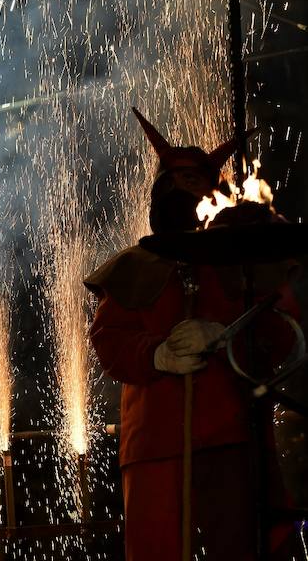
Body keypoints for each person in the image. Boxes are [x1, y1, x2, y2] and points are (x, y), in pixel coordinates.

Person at [85, 108, 298, 560]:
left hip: (231, 438)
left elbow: (283, 336)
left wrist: (229, 334)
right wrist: (157, 353)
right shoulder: (134, 267)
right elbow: (109, 339)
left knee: (241, 548)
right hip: (156, 446)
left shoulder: (245, 264)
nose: (190, 191)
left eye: (197, 180)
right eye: (179, 180)